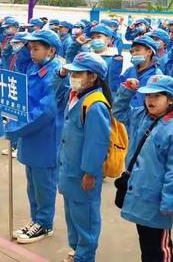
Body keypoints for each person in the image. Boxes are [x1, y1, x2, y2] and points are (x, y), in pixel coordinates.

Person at [114, 74, 173, 262]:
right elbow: (118, 112)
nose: (150, 100)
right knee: (146, 245)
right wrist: (127, 91)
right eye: (148, 96)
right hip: (140, 194)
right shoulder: (140, 115)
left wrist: (169, 201)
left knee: (161, 248)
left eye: (157, 96)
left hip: (157, 200)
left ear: (171, 100)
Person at [5, 30, 63, 244]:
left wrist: (15, 128)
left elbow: (45, 111)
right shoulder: (34, 66)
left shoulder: (56, 74)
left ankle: (45, 223)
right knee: (32, 183)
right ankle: (36, 219)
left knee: (44, 183)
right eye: (30, 48)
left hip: (45, 136)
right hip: (30, 135)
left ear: (51, 50)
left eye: (36, 48)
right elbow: (17, 68)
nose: (31, 52)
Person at [54, 53, 112, 262]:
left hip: (82, 173)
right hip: (69, 170)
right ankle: (76, 248)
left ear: (93, 76)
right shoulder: (76, 96)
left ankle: (85, 256)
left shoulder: (95, 105)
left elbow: (96, 143)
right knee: (72, 214)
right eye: (72, 72)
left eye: (78, 73)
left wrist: (90, 172)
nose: (73, 76)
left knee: (85, 217)